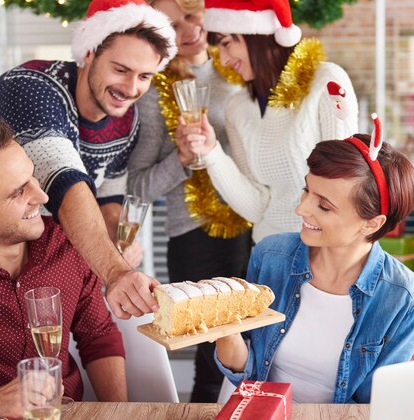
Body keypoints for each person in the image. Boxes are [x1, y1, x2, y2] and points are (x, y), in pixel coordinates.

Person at [0, 0, 178, 319]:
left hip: (56, 267)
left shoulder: (126, 116)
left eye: (145, 76)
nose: (131, 88)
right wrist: (116, 272)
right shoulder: (32, 88)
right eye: (121, 70)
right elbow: (64, 184)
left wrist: (116, 244)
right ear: (90, 53)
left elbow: (109, 193)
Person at [214, 119, 414, 404]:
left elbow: (374, 404)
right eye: (307, 191)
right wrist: (225, 331)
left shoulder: (403, 296)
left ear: (371, 223)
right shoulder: (270, 255)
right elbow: (246, 374)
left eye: (324, 206)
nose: (300, 208)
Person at [0, 116, 127, 418]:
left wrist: (121, 413)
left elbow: (98, 336)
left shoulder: (66, 243)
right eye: (18, 192)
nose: (42, 196)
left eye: (33, 178)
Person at [128, 0, 252, 403]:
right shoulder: (153, 91)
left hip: (258, 224)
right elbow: (139, 187)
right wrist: (181, 159)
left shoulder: (241, 64)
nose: (187, 30)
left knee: (263, 346)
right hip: (194, 236)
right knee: (210, 358)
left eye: (191, 14)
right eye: (172, 25)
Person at [176, 0, 359, 243]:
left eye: (227, 44)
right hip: (268, 253)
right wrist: (211, 152)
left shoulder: (326, 81)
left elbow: (345, 182)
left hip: (323, 253)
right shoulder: (238, 108)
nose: (225, 60)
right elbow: (255, 207)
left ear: (257, 34)